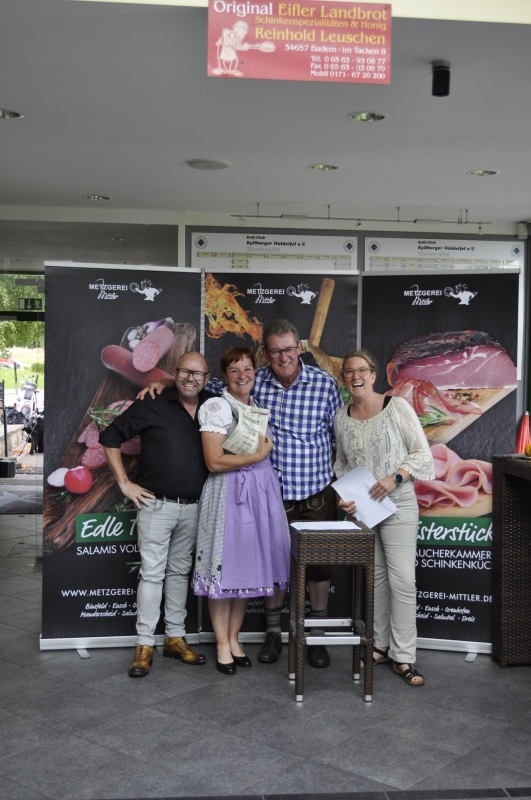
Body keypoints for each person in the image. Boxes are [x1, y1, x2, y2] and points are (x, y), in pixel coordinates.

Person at [139, 319, 343, 668]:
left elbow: (339, 438)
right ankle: (273, 633)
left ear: (299, 348)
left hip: (314, 489)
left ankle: (317, 637)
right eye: (275, 351)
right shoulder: (253, 379)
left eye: (289, 349)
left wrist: (342, 486)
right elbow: (202, 381)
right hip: (272, 492)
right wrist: (166, 380)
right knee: (271, 562)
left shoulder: (324, 384)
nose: (283, 356)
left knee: (319, 568)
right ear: (266, 353)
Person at [100, 351, 212, 678]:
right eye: (184, 372)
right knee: (151, 574)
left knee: (179, 573)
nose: (190, 378)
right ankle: (145, 644)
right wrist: (125, 484)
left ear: (206, 379)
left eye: (198, 374)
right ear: (175, 373)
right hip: (156, 505)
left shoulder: (214, 405)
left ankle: (175, 638)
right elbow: (110, 436)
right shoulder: (153, 403)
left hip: (195, 507)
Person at [333, 349, 434, 686]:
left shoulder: (397, 407)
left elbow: (421, 453)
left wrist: (396, 477)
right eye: (349, 372)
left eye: (362, 370)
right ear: (344, 379)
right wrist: (345, 497)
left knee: (402, 580)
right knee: (375, 579)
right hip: (365, 510)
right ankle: (380, 646)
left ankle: (404, 657)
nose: (356, 376)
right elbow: (342, 464)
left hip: (399, 503)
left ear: (374, 375)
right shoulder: (341, 417)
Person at [193, 346, 290, 674]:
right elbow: (214, 461)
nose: (242, 375)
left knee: (244, 568)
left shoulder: (254, 406)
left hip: (258, 494)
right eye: (235, 370)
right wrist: (258, 457)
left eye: (248, 368)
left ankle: (234, 639)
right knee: (224, 568)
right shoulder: (217, 406)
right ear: (225, 375)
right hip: (229, 493)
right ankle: (222, 644)